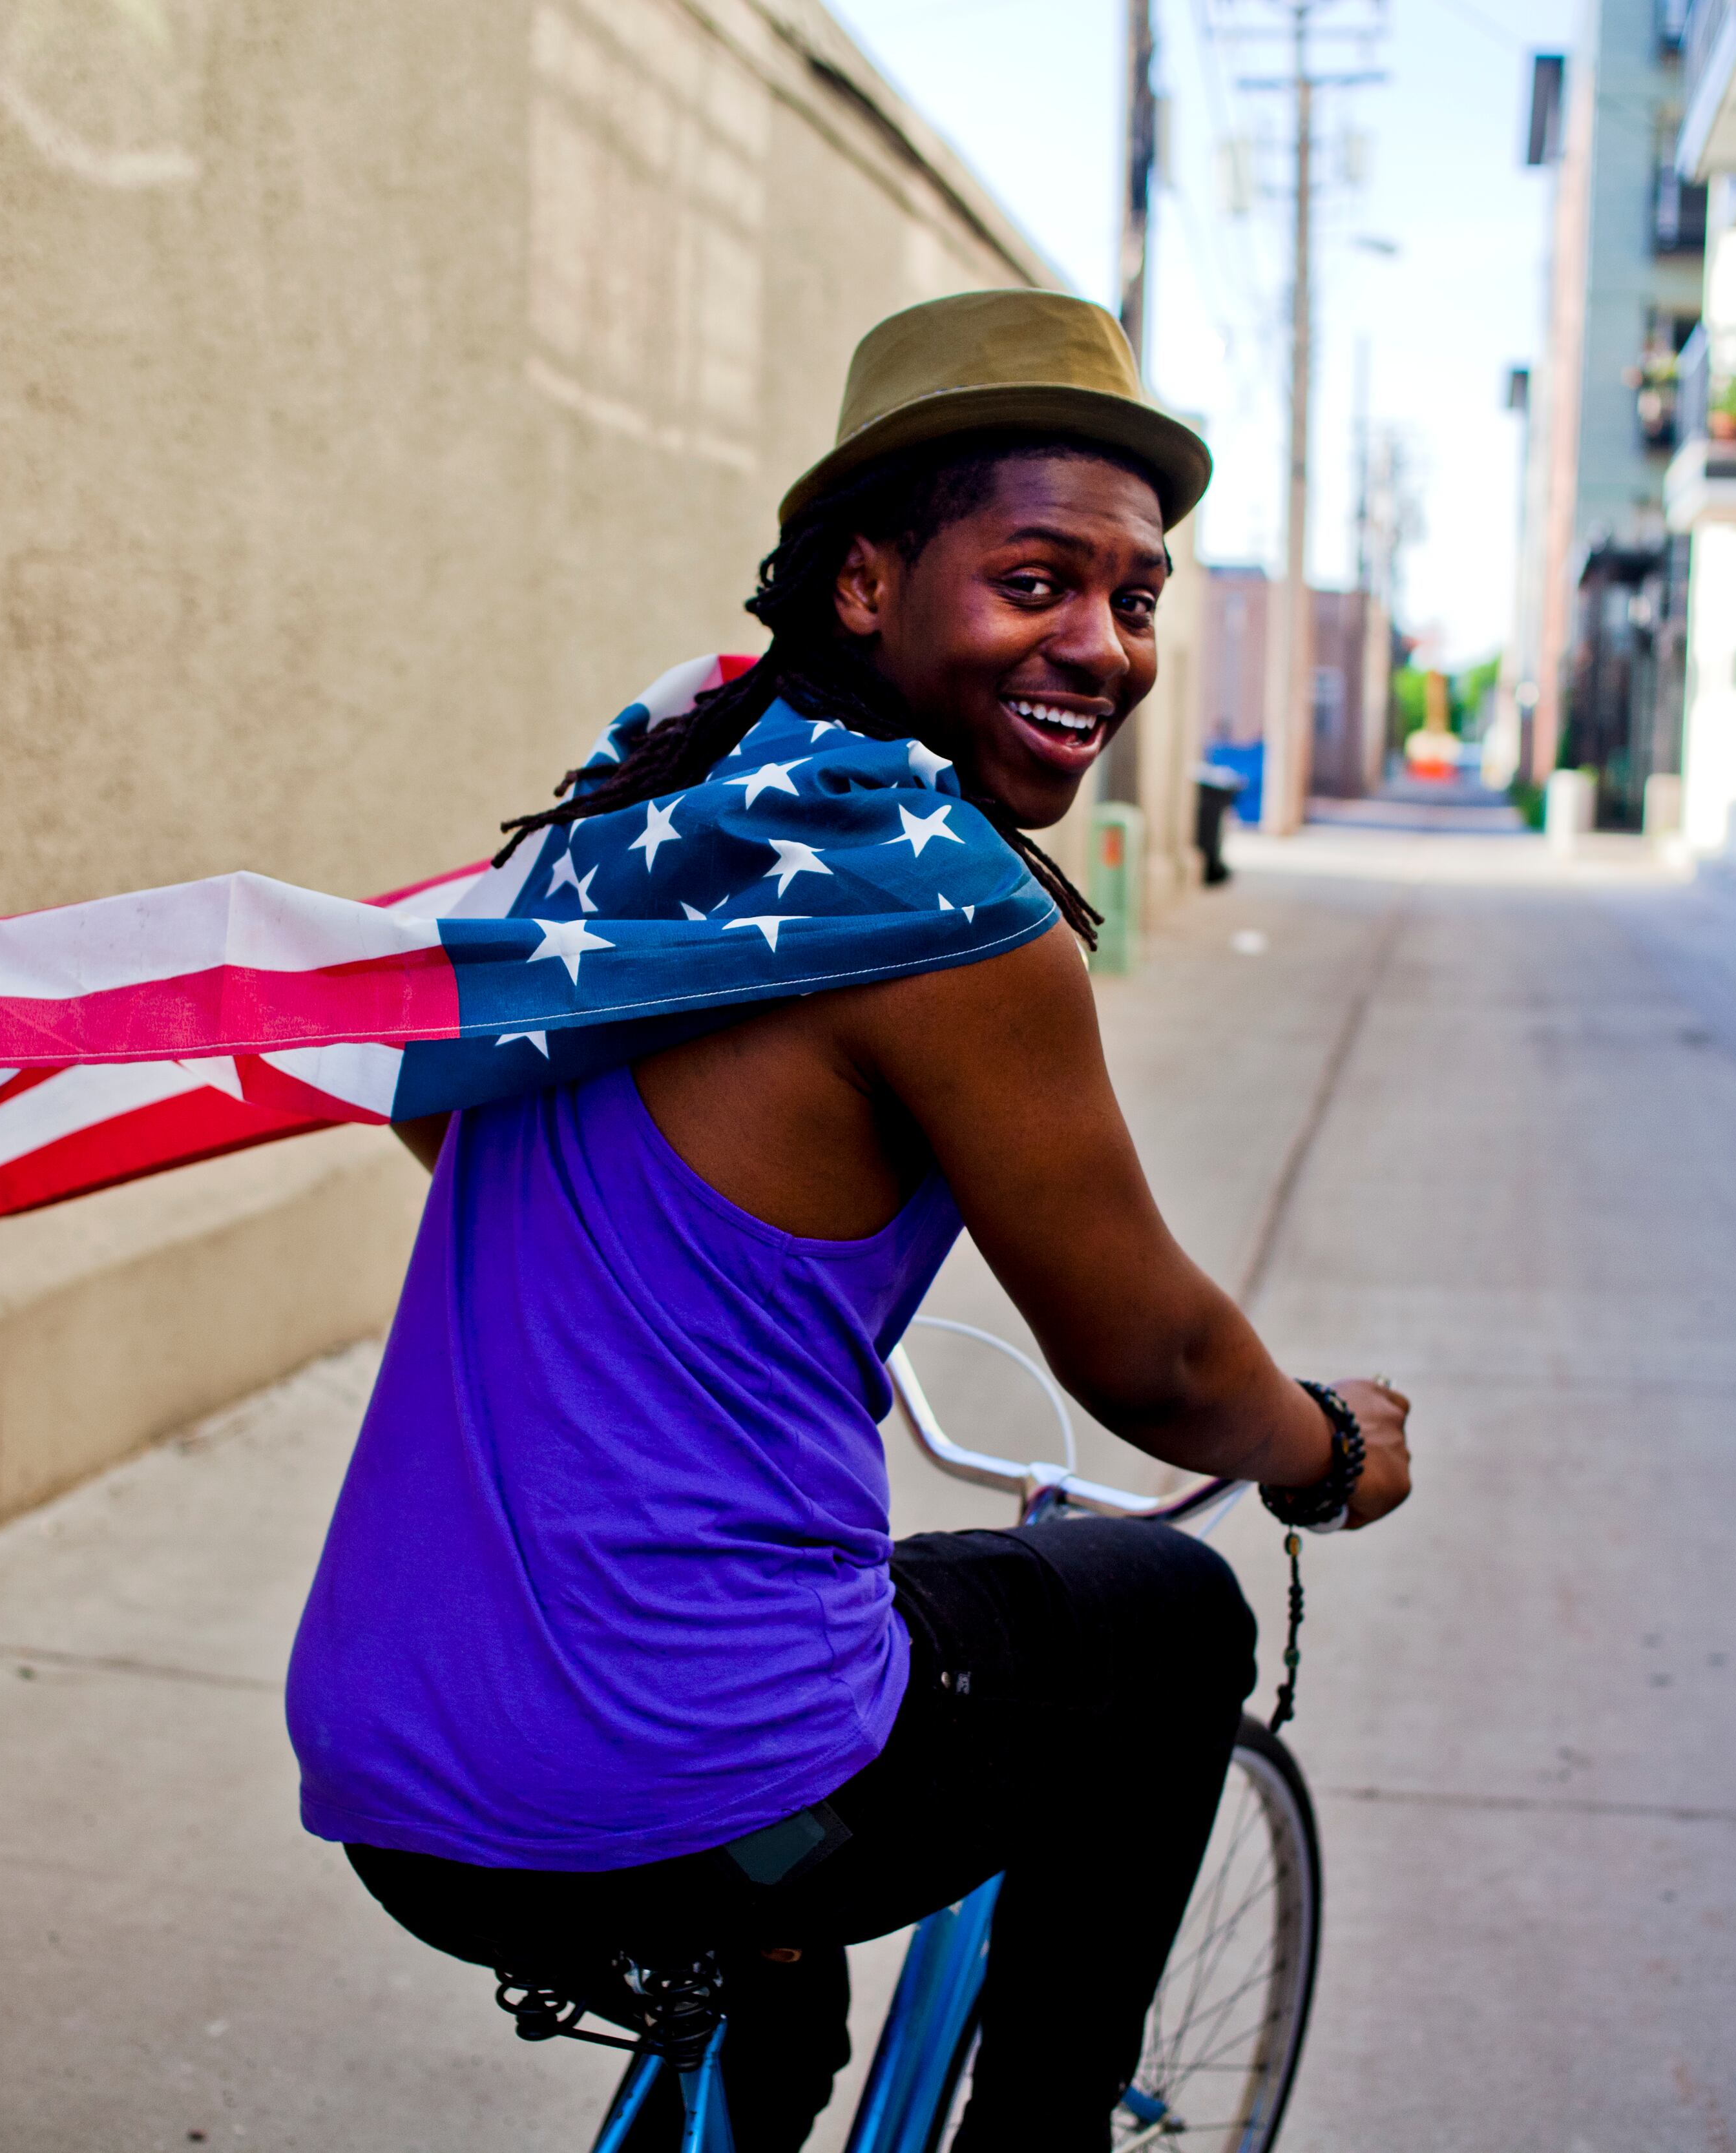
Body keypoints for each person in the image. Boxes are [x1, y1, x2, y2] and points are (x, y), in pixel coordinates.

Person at [284, 289, 1413, 2152]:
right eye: (1039, 578)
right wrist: (1321, 1449)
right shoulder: (946, 904)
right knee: (1163, 1611)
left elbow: (441, 1120)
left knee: (792, 1870)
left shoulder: (631, 819)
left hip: (397, 1774)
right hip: (664, 1783)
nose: (1105, 646)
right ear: (870, 582)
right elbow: (1156, 1359)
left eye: (1137, 599)